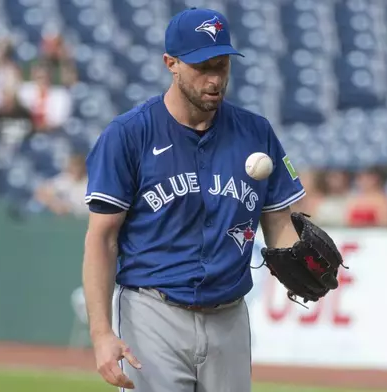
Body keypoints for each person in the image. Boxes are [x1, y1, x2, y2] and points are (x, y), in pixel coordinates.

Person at [82, 8, 305, 392]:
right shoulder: (129, 134)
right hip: (153, 314)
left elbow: (279, 223)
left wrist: (301, 260)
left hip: (229, 317)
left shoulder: (256, 132)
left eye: (222, 65)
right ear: (171, 63)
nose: (215, 79)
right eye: (203, 67)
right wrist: (102, 333)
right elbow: (102, 238)